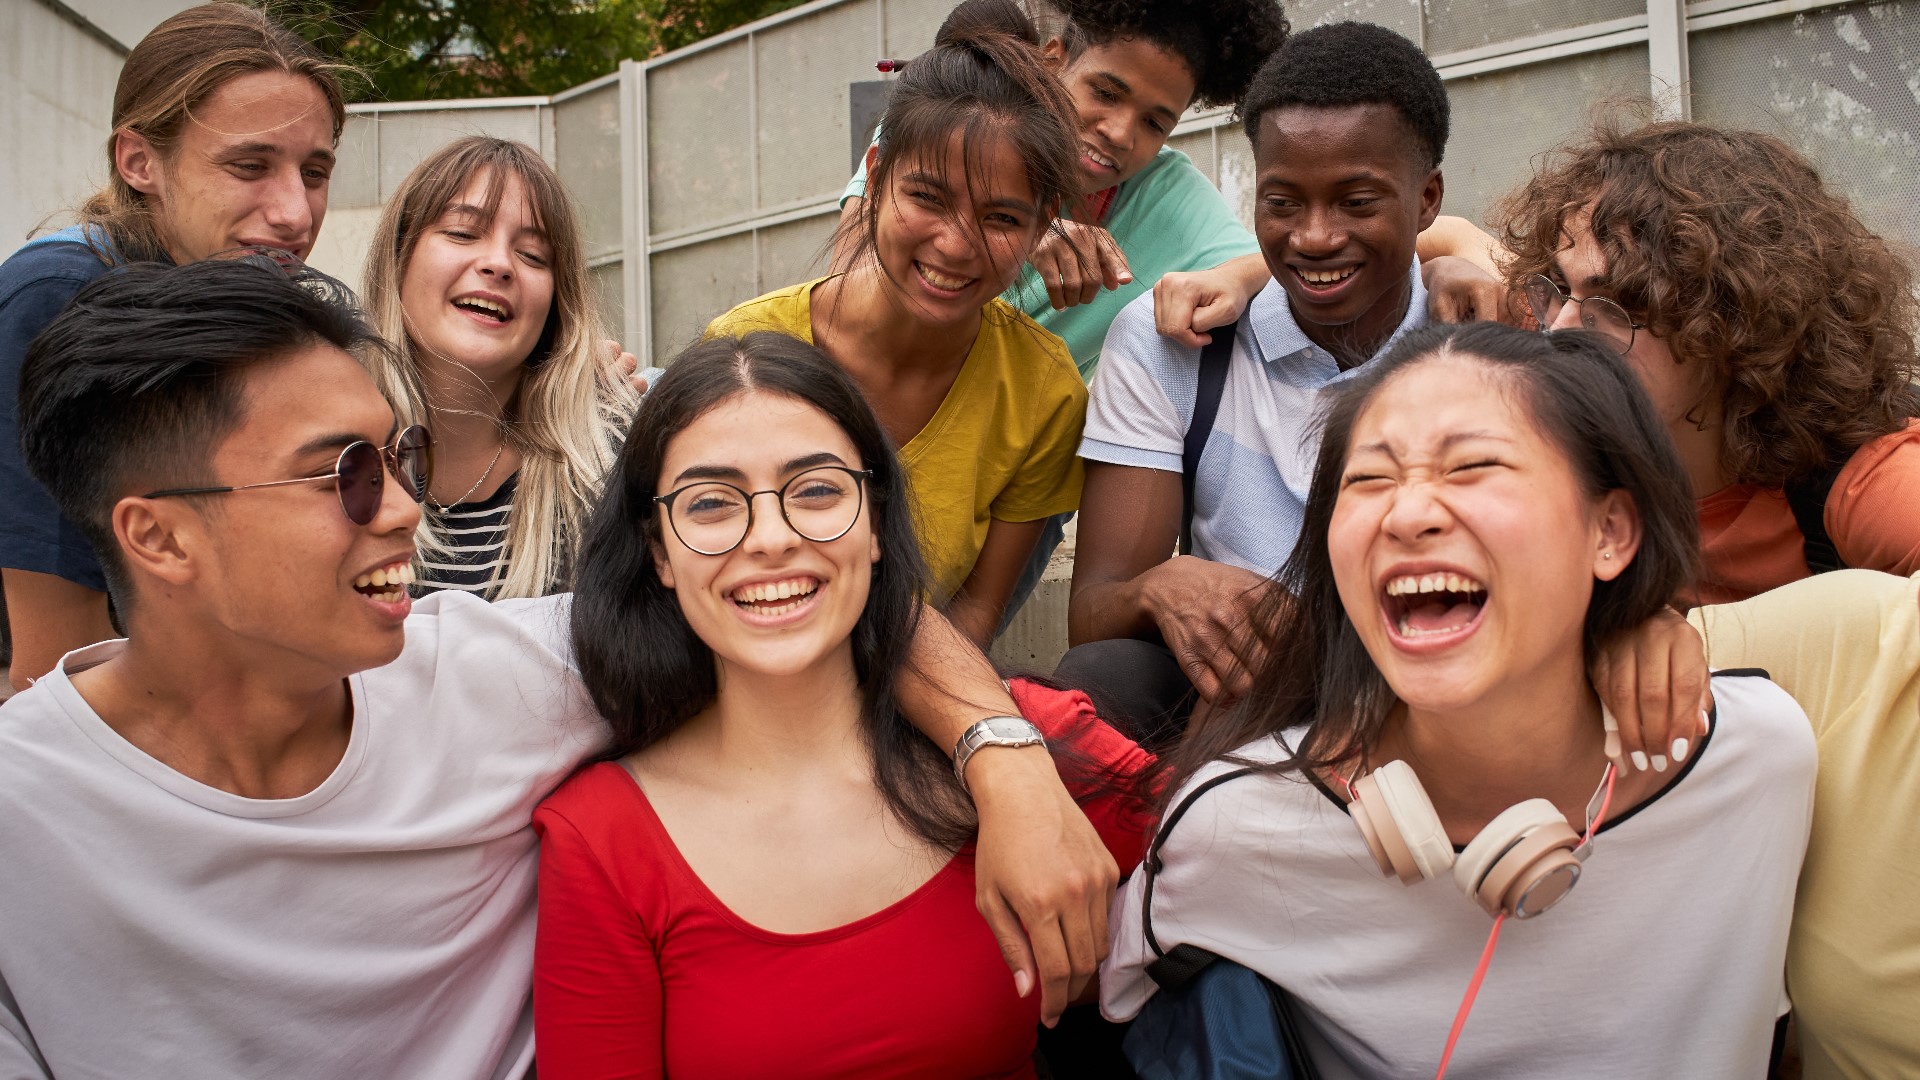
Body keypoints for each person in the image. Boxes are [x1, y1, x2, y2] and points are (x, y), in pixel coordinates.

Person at [0, 257, 1122, 1078]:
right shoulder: (23, 821)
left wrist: (1007, 758)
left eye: (400, 457)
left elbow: (810, 594)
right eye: (342, 474)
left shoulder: (497, 677)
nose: (405, 509)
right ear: (158, 538)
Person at [1102, 321, 1815, 1077]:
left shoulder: (1761, 763)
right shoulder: (1231, 826)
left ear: (1610, 530)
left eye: (1473, 466)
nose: (1408, 515)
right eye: (1368, 480)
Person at [532, 332, 1152, 1078]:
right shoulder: (601, 838)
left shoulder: (1017, 749)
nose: (770, 538)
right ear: (659, 552)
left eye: (818, 490)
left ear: (878, 524)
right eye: (710, 504)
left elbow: (1260, 856)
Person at [1061, 22, 1447, 740]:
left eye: (1357, 201)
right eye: (1282, 202)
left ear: (1427, 202)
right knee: (1101, 684)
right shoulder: (1173, 343)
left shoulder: (1480, 343)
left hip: (1434, 670)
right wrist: (1162, 586)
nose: (1314, 236)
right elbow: (1093, 612)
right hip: (1239, 688)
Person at [708, 0, 1086, 646]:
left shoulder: (1044, 394)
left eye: (1000, 218)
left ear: (1042, 220)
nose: (956, 245)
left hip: (907, 696)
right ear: (877, 178)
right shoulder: (742, 351)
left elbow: (971, 620)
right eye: (928, 198)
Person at [0, 2, 346, 690]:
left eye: (314, 172)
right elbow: (57, 669)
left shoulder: (241, 296)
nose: (295, 213)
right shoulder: (62, 297)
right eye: (250, 165)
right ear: (138, 161)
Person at [1496, 117, 1920, 604]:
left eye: (1620, 300)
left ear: (1734, 322)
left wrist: (1700, 640)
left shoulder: (1865, 484)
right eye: (1558, 286)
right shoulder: (1565, 332)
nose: (1563, 328)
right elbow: (1428, 225)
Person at [360, 136, 637, 598]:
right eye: (462, 233)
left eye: (533, 255)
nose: (498, 264)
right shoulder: (320, 451)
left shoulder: (618, 457)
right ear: (398, 257)